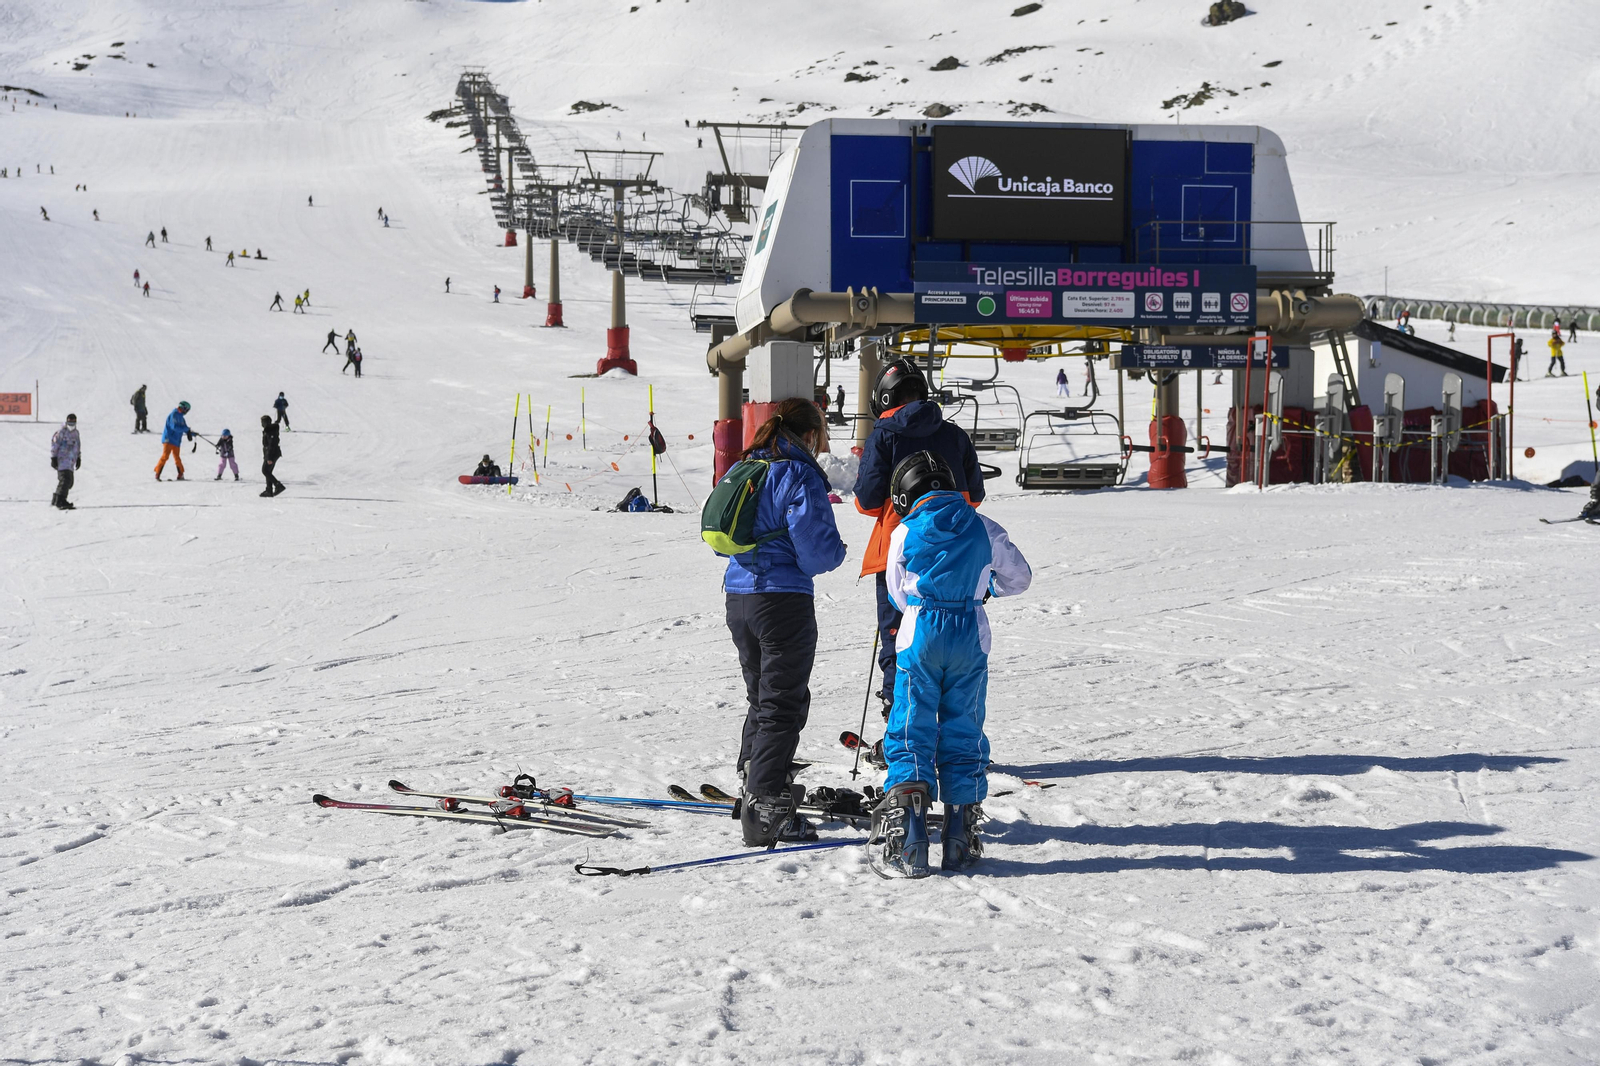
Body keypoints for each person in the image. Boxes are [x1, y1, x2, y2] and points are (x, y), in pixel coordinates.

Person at [869, 451, 1032, 878]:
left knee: (911, 724)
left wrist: (925, 604)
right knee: (964, 725)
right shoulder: (982, 525)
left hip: (921, 628)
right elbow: (1020, 578)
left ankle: (911, 838)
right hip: (970, 631)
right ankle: (959, 835)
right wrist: (984, 588)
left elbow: (897, 592)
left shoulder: (905, 531)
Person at [721, 398, 847, 847]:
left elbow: (723, 541)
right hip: (783, 600)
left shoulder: (748, 467)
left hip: (739, 598)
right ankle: (765, 810)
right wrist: (839, 550)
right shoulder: (796, 471)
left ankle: (751, 783)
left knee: (762, 698)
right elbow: (816, 551)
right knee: (782, 705)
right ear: (810, 435)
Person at [851, 359, 985, 717]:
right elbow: (974, 497)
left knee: (901, 641)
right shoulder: (954, 434)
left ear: (882, 398)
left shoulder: (884, 435)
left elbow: (865, 502)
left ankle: (903, 731)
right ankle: (954, 736)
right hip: (956, 553)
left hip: (900, 552)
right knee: (955, 644)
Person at [49, 413, 81, 510]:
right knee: (65, 480)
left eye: (73, 422)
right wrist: (53, 457)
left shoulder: (76, 433)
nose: (71, 424)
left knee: (69, 482)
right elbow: (55, 444)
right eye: (69, 422)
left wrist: (78, 457)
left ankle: (56, 499)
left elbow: (77, 445)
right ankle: (61, 500)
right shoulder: (61, 432)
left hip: (70, 461)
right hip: (62, 460)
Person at [155, 400, 194, 480]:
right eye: (186, 410)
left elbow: (184, 428)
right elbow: (174, 427)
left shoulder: (181, 418)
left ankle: (180, 474)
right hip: (168, 439)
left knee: (177, 457)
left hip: (176, 441)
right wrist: (186, 429)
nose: (186, 412)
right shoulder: (173, 415)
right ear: (183, 408)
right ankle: (157, 473)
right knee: (165, 456)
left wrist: (190, 433)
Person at [260, 415, 285, 497]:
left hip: (272, 454)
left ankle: (278, 485)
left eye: (263, 422)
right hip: (270, 453)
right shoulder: (269, 430)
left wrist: (269, 458)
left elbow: (271, 445)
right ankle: (269, 490)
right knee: (268, 472)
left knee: (265, 471)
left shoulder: (270, 431)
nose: (262, 424)